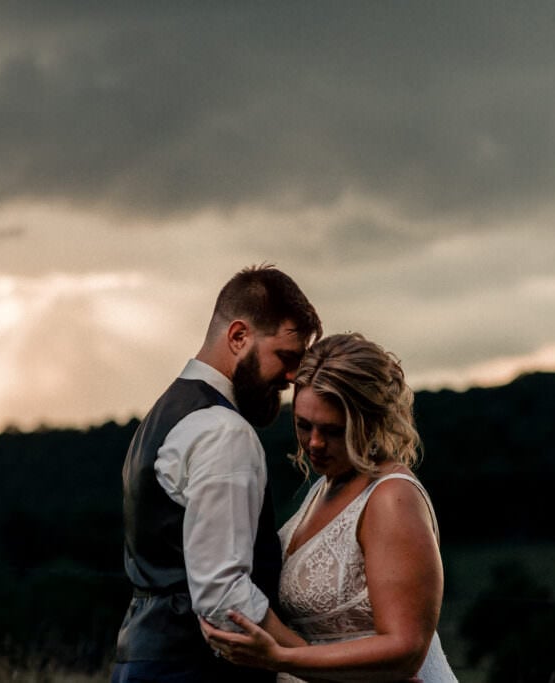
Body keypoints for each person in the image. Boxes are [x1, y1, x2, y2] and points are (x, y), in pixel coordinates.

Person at [202, 332, 458, 682]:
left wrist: (281, 658)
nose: (315, 443)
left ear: (371, 422)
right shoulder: (324, 488)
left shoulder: (392, 498)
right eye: (303, 426)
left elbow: (407, 649)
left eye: (333, 431)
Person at [111, 265, 323, 683]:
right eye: (287, 357)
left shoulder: (162, 417)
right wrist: (313, 667)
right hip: (194, 671)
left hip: (143, 660)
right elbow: (224, 596)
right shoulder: (223, 431)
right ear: (239, 336)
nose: (294, 377)